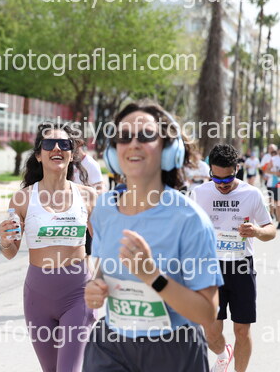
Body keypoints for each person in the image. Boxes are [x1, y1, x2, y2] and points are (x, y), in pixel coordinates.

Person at [83, 101, 223, 372]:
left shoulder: (190, 219)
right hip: (110, 345)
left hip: (173, 349)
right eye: (124, 137)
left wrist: (152, 276)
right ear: (113, 152)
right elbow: (103, 269)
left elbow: (207, 313)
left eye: (146, 136)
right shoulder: (104, 208)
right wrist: (95, 287)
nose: (133, 144)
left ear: (169, 149)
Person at [0, 122, 97, 371]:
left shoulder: (87, 196)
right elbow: (10, 253)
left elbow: (105, 246)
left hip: (78, 294)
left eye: (64, 144)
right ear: (39, 155)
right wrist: (5, 241)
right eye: (49, 144)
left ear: (72, 153)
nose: (57, 148)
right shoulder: (22, 198)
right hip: (37, 298)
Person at [191, 144, 275, 372]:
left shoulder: (251, 194)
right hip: (211, 267)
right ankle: (223, 354)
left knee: (242, 330)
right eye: (216, 179)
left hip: (241, 266)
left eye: (227, 180)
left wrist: (257, 231)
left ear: (236, 169)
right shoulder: (199, 193)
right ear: (210, 171)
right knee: (211, 331)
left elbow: (271, 231)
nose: (222, 185)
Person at [260, 146, 280, 228]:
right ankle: (279, 222)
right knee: (278, 203)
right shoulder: (274, 159)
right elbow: (266, 170)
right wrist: (276, 173)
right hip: (277, 183)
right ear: (279, 151)